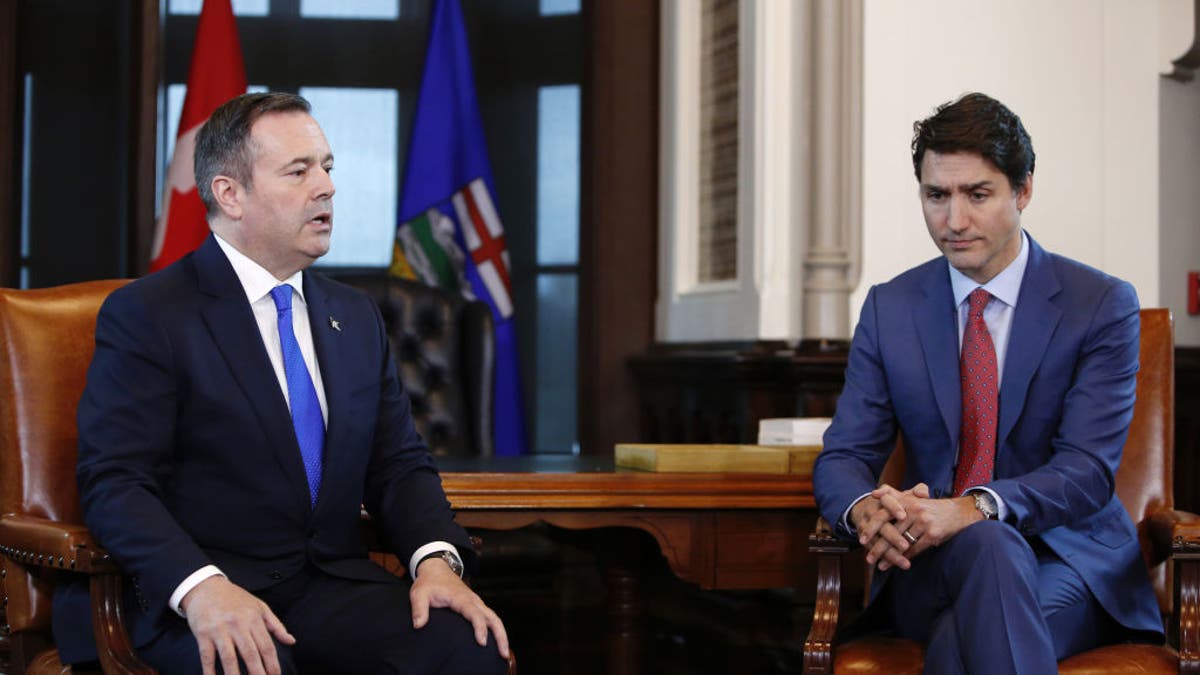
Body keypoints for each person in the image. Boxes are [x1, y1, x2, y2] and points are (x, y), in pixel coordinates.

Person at [52, 92, 510, 675]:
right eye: (299, 171)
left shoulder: (357, 316)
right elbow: (115, 481)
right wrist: (200, 589)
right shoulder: (149, 314)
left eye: (327, 167)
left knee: (465, 648)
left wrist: (435, 561)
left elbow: (398, 464)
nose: (326, 187)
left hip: (327, 586)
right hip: (191, 594)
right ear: (230, 194)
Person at [812, 92, 1163, 673]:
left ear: (1023, 190)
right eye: (936, 195)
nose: (954, 221)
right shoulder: (890, 308)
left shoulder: (1098, 304)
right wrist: (863, 509)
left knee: (963, 635)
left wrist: (974, 508)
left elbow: (1087, 471)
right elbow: (845, 454)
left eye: (977, 195)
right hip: (928, 565)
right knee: (985, 568)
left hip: (1067, 561)